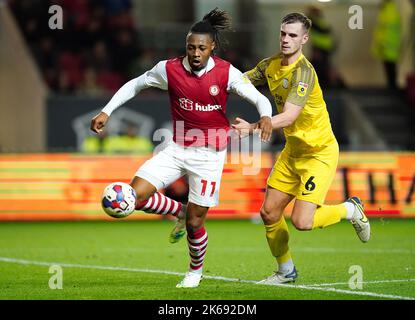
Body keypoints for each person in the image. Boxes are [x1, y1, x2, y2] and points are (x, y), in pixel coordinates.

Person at [90, 8, 273, 288]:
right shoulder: (169, 69)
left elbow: (259, 98)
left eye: (201, 48)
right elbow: (135, 84)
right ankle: (179, 209)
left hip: (209, 155)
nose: (196, 53)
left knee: (195, 224)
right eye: (191, 47)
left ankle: (194, 271)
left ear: (212, 47)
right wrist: (107, 111)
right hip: (176, 148)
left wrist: (265, 117)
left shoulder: (227, 73)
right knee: (133, 198)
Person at [232, 12, 371, 284]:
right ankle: (286, 271)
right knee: (269, 212)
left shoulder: (304, 73)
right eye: (283, 33)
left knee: (302, 222)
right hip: (293, 152)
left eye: (293, 35)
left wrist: (252, 127)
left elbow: (288, 117)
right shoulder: (269, 65)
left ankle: (350, 210)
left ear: (304, 39)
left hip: (318, 153)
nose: (286, 39)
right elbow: (238, 82)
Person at [371, 0, 401, 90]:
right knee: (389, 68)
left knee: (390, 68)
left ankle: (392, 88)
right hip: (387, 45)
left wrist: (382, 43)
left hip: (388, 45)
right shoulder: (387, 10)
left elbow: (386, 30)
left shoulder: (388, 11)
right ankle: (392, 87)